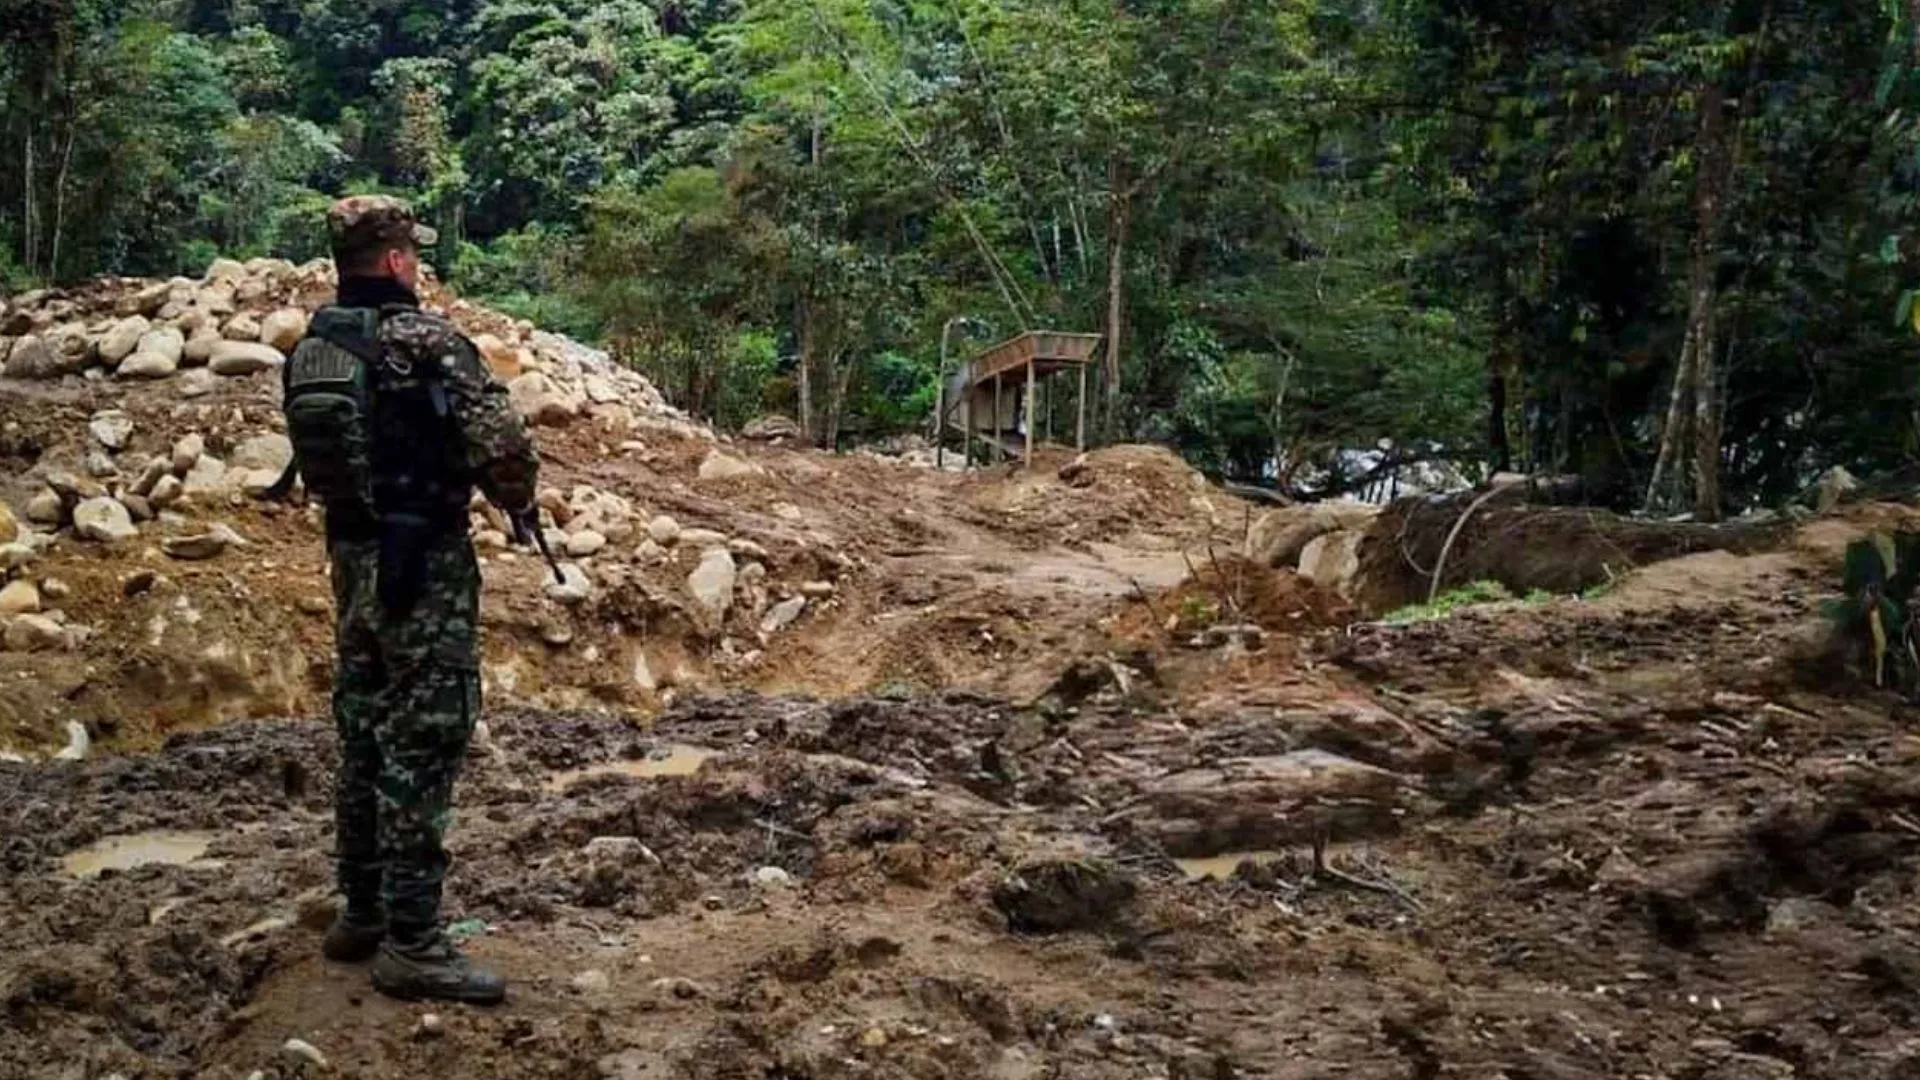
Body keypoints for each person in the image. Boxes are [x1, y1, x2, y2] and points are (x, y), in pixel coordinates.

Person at [286, 195, 540, 1004]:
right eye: (413, 254)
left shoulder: (314, 347)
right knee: (421, 744)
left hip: (352, 564)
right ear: (397, 260)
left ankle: (361, 913)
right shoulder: (431, 343)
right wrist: (514, 499)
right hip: (422, 567)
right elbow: (504, 451)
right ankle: (415, 942)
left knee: (361, 733)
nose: (417, 265)